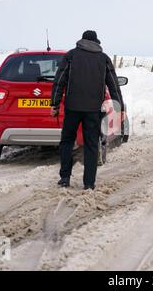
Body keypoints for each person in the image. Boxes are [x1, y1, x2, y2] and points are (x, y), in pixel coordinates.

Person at [51, 30, 124, 190]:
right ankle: (89, 183)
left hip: (72, 108)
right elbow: (113, 84)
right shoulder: (103, 59)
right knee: (91, 145)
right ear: (97, 42)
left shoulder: (71, 56)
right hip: (93, 110)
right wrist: (120, 107)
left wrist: (55, 104)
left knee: (67, 141)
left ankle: (64, 178)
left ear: (81, 40)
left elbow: (59, 80)